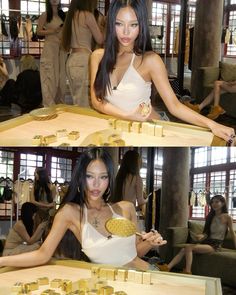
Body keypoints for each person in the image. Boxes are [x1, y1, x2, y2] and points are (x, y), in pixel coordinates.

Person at [90, 0, 235, 145]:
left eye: (133, 24)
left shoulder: (150, 60)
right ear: (110, 25)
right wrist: (127, 115)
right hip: (118, 130)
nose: (126, 31)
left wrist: (213, 125)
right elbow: (97, 102)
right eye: (119, 23)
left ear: (141, 26)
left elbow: (175, 106)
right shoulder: (97, 57)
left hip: (152, 130)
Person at [0, 148, 166, 271]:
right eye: (89, 176)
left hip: (145, 274)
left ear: (109, 180)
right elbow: (42, 254)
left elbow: (133, 253)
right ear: (80, 178)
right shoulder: (70, 213)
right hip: (108, 286)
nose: (96, 184)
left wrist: (149, 243)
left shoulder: (126, 208)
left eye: (103, 177)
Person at [167, 195, 236, 274]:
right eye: (212, 202)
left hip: (215, 245)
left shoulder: (227, 217)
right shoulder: (210, 216)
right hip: (207, 242)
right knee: (183, 250)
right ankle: (167, 267)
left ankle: (187, 271)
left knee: (188, 248)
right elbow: (207, 233)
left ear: (223, 203)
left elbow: (232, 233)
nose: (214, 204)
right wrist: (202, 236)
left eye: (217, 202)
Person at [61, 0, 103, 107]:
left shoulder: (70, 16)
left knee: (77, 101)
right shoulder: (87, 15)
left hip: (71, 60)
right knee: (86, 103)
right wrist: (106, 27)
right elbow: (100, 39)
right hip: (83, 60)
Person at [37, 0, 66, 106]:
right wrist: (53, 31)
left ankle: (60, 108)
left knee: (61, 81)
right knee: (49, 79)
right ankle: (49, 108)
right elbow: (38, 31)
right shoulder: (45, 15)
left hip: (61, 50)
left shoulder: (62, 15)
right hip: (50, 49)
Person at [113, 150, 147, 214]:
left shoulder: (119, 177)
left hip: (116, 211)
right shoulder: (137, 178)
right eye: (139, 161)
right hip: (128, 213)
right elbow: (140, 201)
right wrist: (148, 199)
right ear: (135, 163)